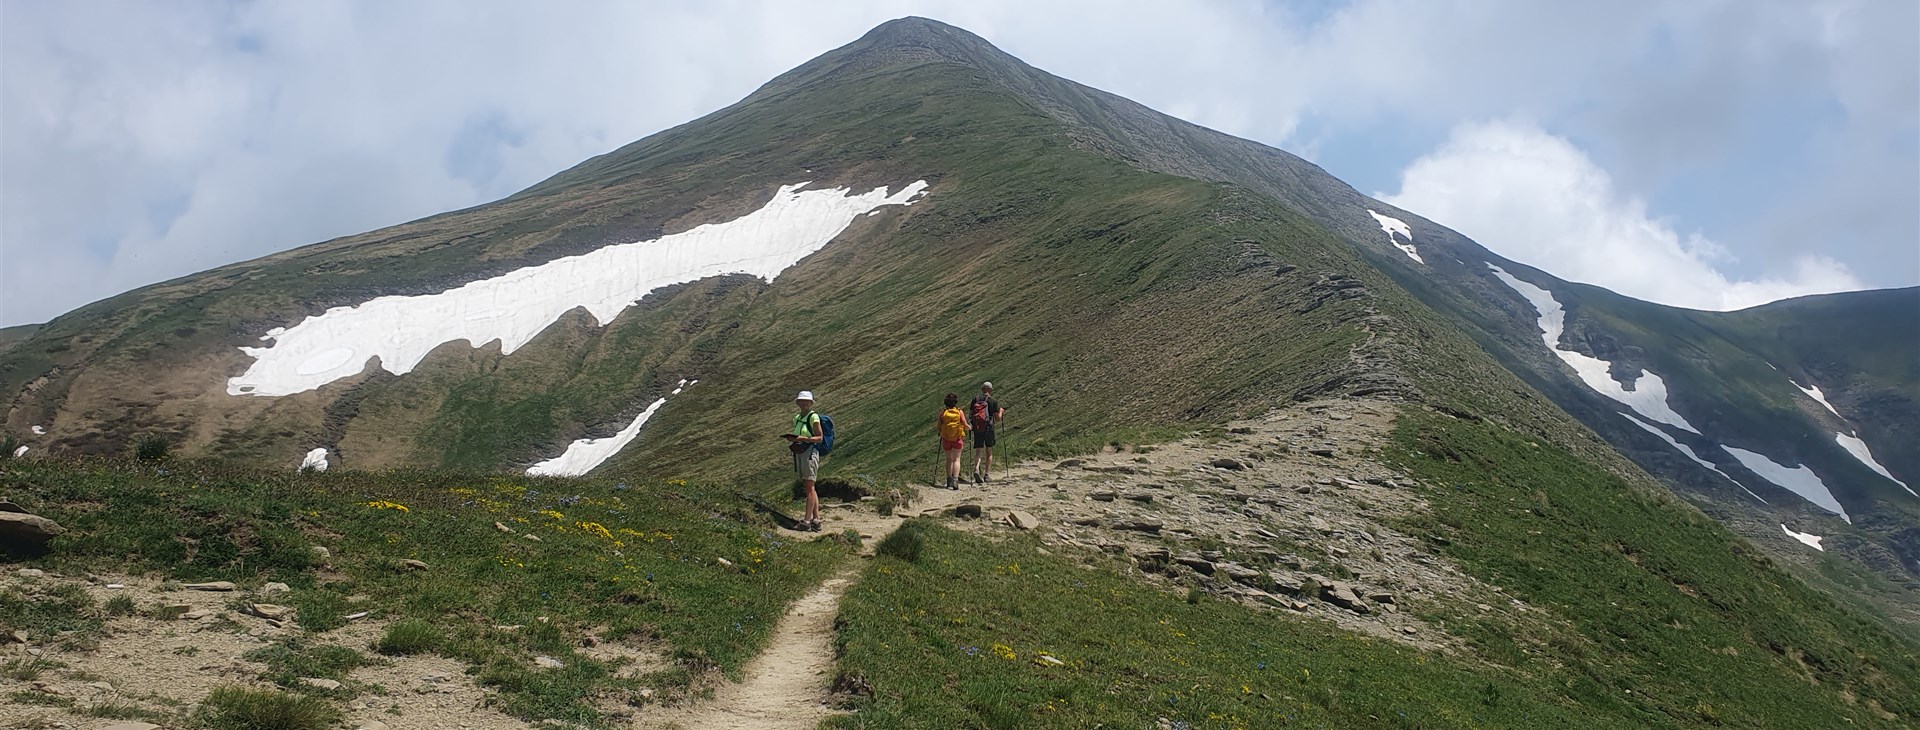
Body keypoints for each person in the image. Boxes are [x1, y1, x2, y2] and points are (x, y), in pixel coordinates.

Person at [784, 390, 825, 531]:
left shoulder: (814, 417)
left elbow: (819, 438)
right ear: (798, 403)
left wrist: (802, 438)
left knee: (809, 486)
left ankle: (807, 521)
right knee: (810, 486)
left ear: (811, 403)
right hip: (801, 452)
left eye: (807, 401)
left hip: (810, 452)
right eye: (802, 401)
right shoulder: (797, 418)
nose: (804, 403)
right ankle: (816, 520)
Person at [970, 381, 1005, 483]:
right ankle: (986, 475)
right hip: (989, 428)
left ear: (982, 389)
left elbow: (971, 414)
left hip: (977, 428)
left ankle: (976, 468)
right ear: (990, 390)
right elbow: (998, 418)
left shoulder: (976, 399)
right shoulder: (993, 401)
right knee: (989, 451)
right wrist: (1001, 411)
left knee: (978, 451)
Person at [936, 393, 971, 490]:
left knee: (949, 459)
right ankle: (955, 480)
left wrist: (942, 431)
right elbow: (965, 425)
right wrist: (970, 427)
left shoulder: (943, 413)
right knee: (956, 459)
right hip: (957, 439)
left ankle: (948, 480)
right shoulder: (959, 412)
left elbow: (938, 427)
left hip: (946, 439)